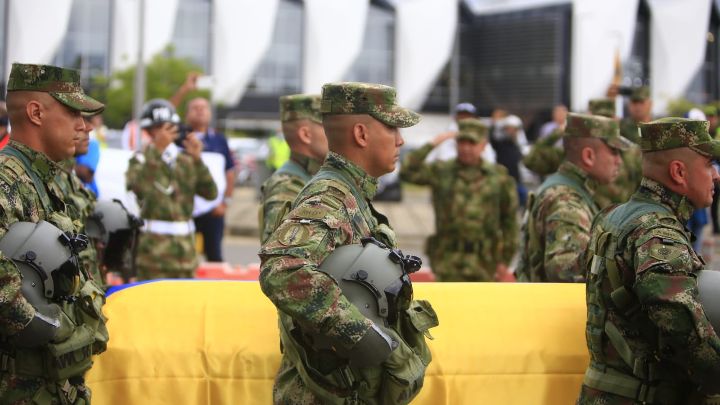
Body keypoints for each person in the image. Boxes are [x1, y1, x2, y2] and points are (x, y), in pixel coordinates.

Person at [260, 82, 435, 404]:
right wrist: (361, 334)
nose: (401, 140)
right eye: (392, 128)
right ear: (361, 134)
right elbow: (281, 270)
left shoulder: (350, 195)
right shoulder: (330, 198)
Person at [579, 117, 720, 404]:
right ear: (679, 172)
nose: (716, 175)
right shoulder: (657, 235)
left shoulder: (611, 216)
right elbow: (688, 340)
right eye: (708, 164)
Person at [0, 62, 107, 404]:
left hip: (54, 386)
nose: (83, 125)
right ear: (35, 113)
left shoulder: (43, 182)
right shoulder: (6, 183)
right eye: (73, 112)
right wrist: (58, 329)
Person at [400, 118, 518, 281]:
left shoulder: (499, 178)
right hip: (447, 260)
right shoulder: (442, 171)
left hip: (485, 261)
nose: (465, 148)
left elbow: (510, 222)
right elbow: (407, 171)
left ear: (483, 145)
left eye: (472, 143)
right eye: (461, 142)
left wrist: (505, 261)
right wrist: (433, 143)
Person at [516, 113, 628, 283]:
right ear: (588, 156)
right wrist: (619, 262)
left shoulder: (572, 190)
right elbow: (562, 267)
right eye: (614, 151)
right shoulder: (566, 201)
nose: (619, 161)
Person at [126, 99, 217, 280]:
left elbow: (210, 193)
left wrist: (198, 160)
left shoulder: (186, 160)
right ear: (148, 131)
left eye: (168, 127)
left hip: (186, 254)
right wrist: (156, 151)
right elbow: (139, 190)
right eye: (158, 127)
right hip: (152, 255)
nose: (163, 132)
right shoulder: (141, 160)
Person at [172, 73, 236, 262]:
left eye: (204, 108)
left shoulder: (219, 139)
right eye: (195, 108)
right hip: (184, 209)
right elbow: (164, 114)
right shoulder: (178, 137)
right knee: (182, 258)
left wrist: (226, 202)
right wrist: (184, 90)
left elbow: (230, 172)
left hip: (213, 209)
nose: (200, 111)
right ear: (186, 114)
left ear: (210, 113)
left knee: (214, 256)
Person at [258, 94, 328, 244]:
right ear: (305, 135)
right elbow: (280, 258)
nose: (335, 134)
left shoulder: (309, 177)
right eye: (328, 127)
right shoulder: (287, 188)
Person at [74, 113, 101, 197]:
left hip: (87, 193)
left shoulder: (92, 143)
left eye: (87, 120)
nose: (89, 128)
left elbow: (86, 174)